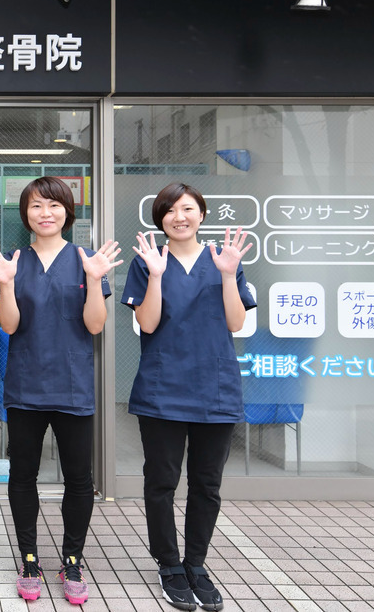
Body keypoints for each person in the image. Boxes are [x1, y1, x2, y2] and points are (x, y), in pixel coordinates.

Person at [0, 176, 121, 605]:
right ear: (25, 214)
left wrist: (94, 281)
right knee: (23, 476)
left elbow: (96, 325)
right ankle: (28, 557)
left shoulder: (86, 261)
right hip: (25, 386)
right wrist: (5, 283)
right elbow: (9, 325)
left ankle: (73, 558)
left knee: (79, 479)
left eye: (54, 205)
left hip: (74, 388)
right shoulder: (15, 262)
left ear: (67, 211)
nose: (45, 213)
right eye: (36, 206)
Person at [122, 182, 255, 612]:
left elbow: (235, 322)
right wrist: (157, 276)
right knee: (161, 482)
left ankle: (196, 563)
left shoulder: (223, 259)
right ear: (160, 219)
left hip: (215, 388)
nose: (179, 217)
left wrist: (230, 275)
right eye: (170, 211)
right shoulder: (148, 262)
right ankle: (168, 564)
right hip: (162, 390)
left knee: (207, 485)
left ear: (201, 213)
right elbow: (148, 321)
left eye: (188, 208)